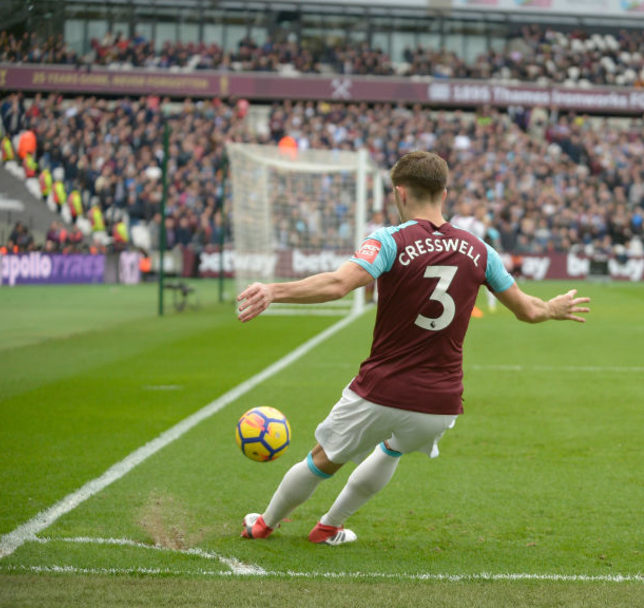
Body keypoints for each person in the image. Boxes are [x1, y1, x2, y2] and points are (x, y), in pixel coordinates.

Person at [235, 151, 591, 546]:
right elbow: (527, 310)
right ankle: (329, 527)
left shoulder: (389, 240)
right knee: (392, 451)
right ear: (445, 192)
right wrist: (554, 308)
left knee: (323, 459)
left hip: (380, 389)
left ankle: (264, 524)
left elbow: (338, 284)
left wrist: (274, 290)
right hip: (439, 402)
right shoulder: (482, 250)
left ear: (400, 193)